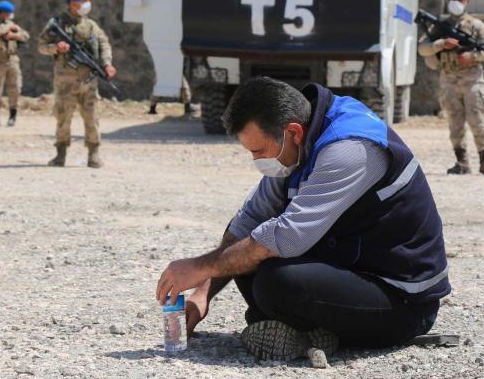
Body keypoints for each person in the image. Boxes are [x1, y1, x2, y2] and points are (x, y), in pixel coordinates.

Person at [155, 77, 450, 361]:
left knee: (276, 279)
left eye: (258, 150)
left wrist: (199, 266)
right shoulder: (298, 144)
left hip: (401, 302)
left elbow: (287, 236)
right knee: (245, 255)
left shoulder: (349, 149)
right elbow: (251, 221)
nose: (257, 160)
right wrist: (203, 292)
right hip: (349, 270)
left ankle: (312, 335)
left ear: (293, 132)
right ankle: (309, 330)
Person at [417, 0, 484, 176]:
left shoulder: (476, 26)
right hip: (449, 78)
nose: (458, 3)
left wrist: (472, 56)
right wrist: (441, 44)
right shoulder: (439, 27)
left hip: (471, 79)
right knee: (454, 121)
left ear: (467, 1)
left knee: (478, 119)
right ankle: (461, 162)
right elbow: (423, 49)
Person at [37, 0, 116, 168]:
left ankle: (94, 154)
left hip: (88, 80)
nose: (87, 3)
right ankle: (60, 154)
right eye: (84, 0)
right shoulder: (57, 24)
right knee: (63, 117)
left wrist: (107, 63)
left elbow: (104, 44)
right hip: (66, 81)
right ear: (73, 3)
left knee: (92, 117)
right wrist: (56, 48)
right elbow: (41, 46)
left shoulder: (91, 25)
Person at [0, 0, 29, 126]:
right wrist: (10, 28)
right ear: (0, 13)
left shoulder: (10, 24)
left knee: (15, 87)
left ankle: (12, 116)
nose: (9, 16)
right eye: (7, 13)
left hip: (12, 59)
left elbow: (25, 35)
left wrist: (14, 36)